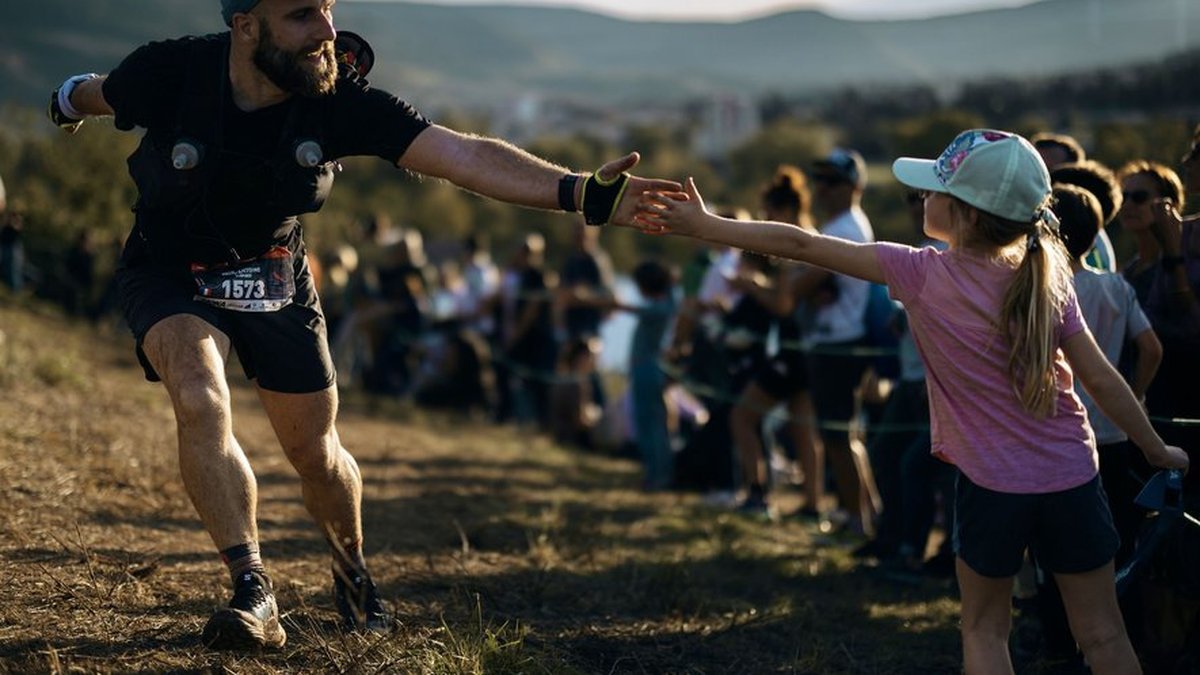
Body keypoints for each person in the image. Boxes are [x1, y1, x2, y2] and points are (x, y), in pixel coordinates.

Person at [47, 0, 679, 650]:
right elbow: (98, 94)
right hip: (169, 268)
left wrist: (579, 192)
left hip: (272, 272)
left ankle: (352, 572)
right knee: (200, 394)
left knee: (315, 452)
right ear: (245, 26)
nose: (325, 31)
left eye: (328, 9)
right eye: (300, 16)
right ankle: (253, 587)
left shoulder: (338, 99)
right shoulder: (169, 71)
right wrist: (65, 101)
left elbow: (460, 154)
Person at [639, 128, 1189, 674]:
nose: (923, 197)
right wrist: (1157, 449)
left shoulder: (920, 272)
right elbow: (1102, 378)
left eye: (934, 189)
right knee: (1104, 634)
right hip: (1072, 475)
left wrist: (708, 226)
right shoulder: (1049, 275)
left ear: (967, 214)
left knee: (984, 630)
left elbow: (802, 246)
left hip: (991, 487)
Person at [726, 166, 821, 520]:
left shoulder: (797, 243)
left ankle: (757, 493)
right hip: (806, 348)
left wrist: (751, 285)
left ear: (783, 212)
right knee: (803, 429)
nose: (765, 221)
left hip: (794, 350)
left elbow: (783, 304)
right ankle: (813, 506)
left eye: (768, 214)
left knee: (742, 416)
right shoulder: (814, 238)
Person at [799, 148, 880, 537]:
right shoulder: (852, 225)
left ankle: (855, 521)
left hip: (838, 344)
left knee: (836, 436)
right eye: (819, 180)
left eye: (832, 182)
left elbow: (796, 287)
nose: (822, 189)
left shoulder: (842, 230)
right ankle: (868, 514)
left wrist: (798, 280)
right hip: (842, 341)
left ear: (855, 187)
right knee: (844, 435)